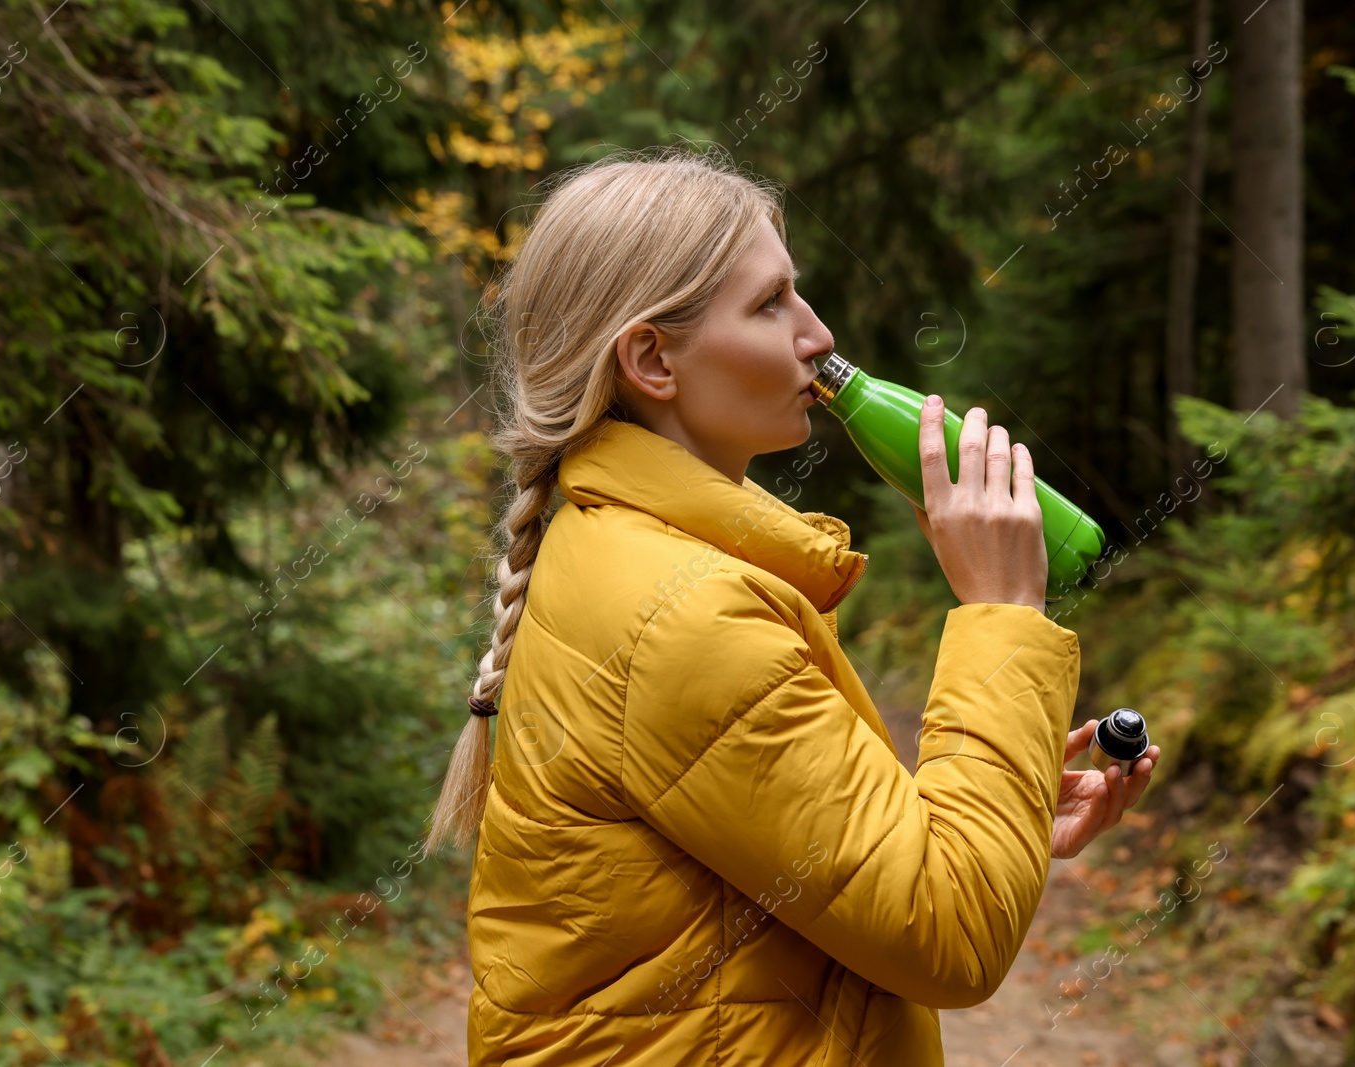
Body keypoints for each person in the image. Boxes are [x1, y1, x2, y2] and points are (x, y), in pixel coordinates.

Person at [427, 145, 1159, 1066]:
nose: (818, 335)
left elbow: (789, 854)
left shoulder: (643, 556)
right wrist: (1003, 609)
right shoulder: (682, 614)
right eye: (770, 303)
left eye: (797, 293)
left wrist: (996, 799)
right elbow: (951, 935)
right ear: (652, 358)